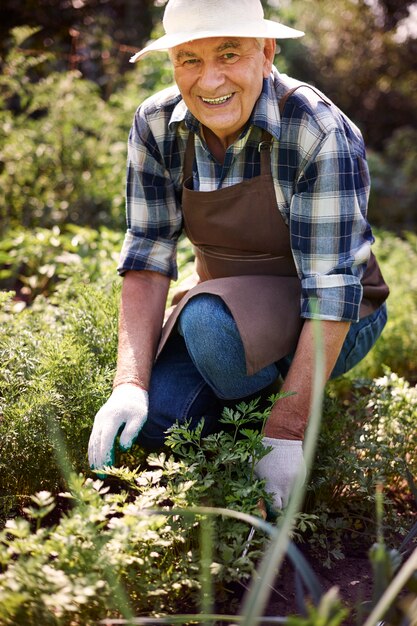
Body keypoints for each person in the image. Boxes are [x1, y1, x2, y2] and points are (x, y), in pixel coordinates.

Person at [88, 0, 389, 509]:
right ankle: (251, 411)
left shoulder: (315, 128)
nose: (209, 81)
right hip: (235, 309)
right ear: (173, 64)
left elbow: (333, 288)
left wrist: (286, 430)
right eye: (190, 60)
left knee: (205, 323)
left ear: (267, 52)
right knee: (158, 424)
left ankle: (282, 417)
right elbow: (148, 254)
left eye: (229, 54)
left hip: (338, 312)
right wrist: (129, 385)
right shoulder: (157, 124)